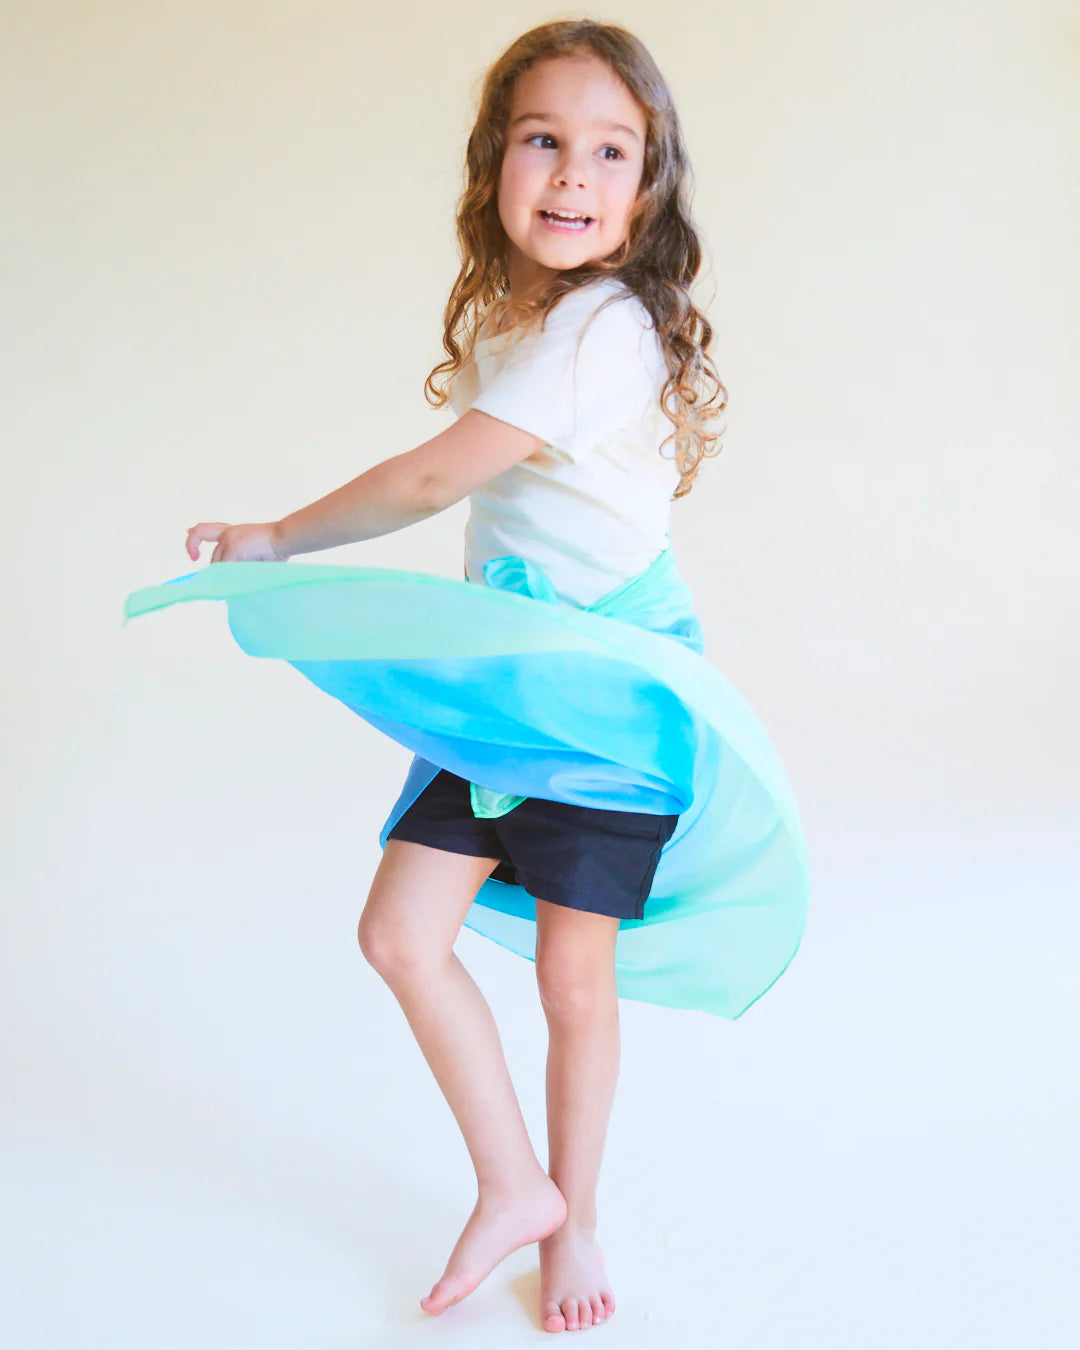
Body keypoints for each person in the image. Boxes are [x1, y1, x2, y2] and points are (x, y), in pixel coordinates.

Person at [124, 19, 810, 1336]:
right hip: (513, 687)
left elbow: (439, 476)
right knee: (398, 933)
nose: (570, 173)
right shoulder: (528, 316)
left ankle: (582, 1210)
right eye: (542, 139)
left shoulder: (603, 325)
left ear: (648, 187)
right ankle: (514, 1184)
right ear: (495, 162)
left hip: (604, 700)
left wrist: (278, 536)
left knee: (572, 979)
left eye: (609, 150)